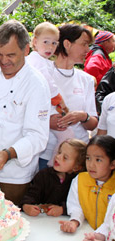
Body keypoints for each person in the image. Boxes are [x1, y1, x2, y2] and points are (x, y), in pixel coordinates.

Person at [0, 20, 51, 206]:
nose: (4, 61)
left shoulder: (37, 84)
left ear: (26, 50)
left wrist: (9, 153)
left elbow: (37, 137)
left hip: (14, 176)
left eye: (11, 55)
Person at [39, 24, 98, 170]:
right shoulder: (41, 73)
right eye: (84, 44)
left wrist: (82, 116)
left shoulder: (86, 79)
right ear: (67, 44)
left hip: (77, 157)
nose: (88, 50)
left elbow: (93, 122)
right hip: (46, 154)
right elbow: (23, 112)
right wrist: (47, 123)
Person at [27, 22, 75, 170]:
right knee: (67, 134)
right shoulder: (37, 61)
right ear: (35, 42)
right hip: (43, 107)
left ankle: (53, 162)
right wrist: (62, 103)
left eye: (54, 43)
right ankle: (53, 164)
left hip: (43, 106)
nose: (50, 47)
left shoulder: (40, 60)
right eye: (45, 42)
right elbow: (50, 86)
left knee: (65, 135)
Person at [59, 135, 115, 233]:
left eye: (98, 160)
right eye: (88, 158)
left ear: (112, 164)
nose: (91, 165)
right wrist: (74, 221)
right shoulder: (80, 180)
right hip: (89, 234)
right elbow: (76, 206)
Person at [20, 138, 86, 217]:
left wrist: (63, 209)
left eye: (65, 157)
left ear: (76, 167)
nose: (58, 157)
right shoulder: (43, 175)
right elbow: (31, 195)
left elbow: (80, 205)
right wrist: (26, 206)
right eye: (59, 152)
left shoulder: (79, 181)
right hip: (43, 222)